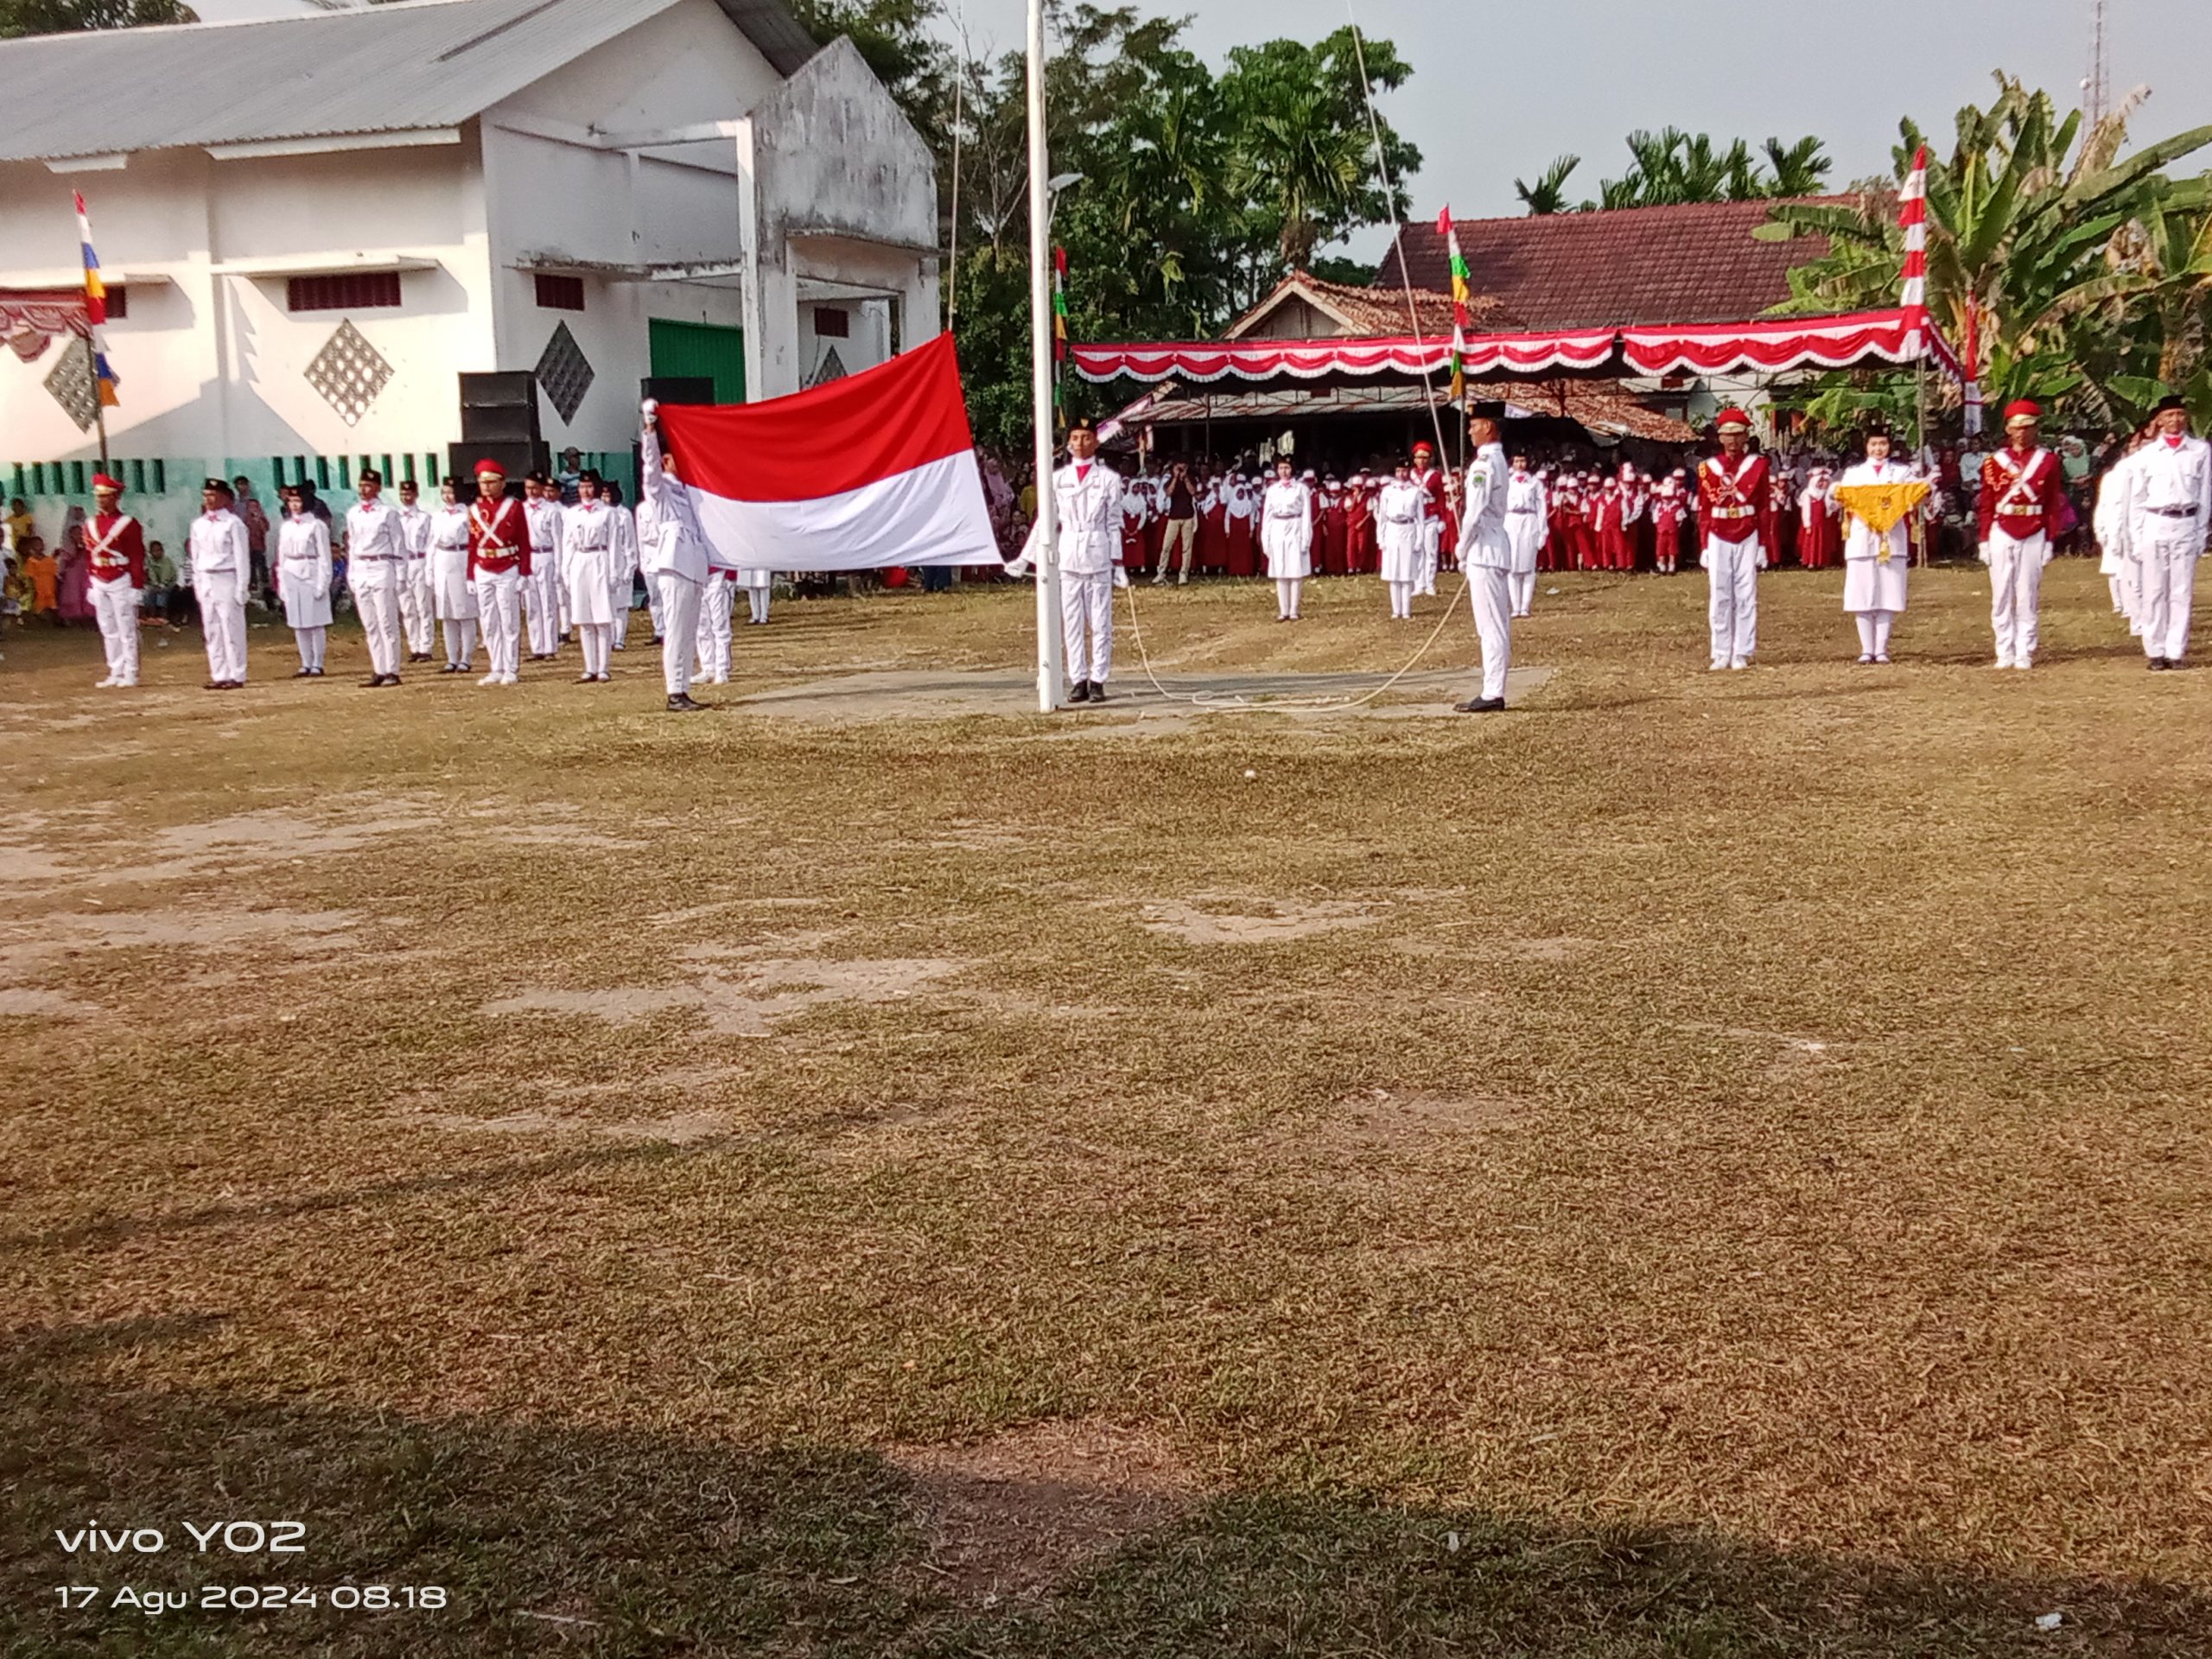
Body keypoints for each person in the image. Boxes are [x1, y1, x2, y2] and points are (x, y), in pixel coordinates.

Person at [1015, 419, 1120, 703]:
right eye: (1075, 437)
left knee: (1100, 622)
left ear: (1095, 442)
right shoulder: (1058, 479)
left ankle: (1098, 678)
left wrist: (1118, 564)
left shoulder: (1109, 479)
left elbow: (1113, 523)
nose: (1080, 443)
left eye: (1086, 438)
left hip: (1097, 552)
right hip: (1069, 553)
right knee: (1071, 622)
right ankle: (1079, 679)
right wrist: (1025, 558)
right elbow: (1045, 522)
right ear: (1069, 442)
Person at [2121, 395, 2212, 669]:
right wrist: (2136, 537)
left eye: (2180, 415)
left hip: (2186, 521)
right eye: (2169, 415)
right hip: (2155, 522)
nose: (2175, 420)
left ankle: (2175, 651)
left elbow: (2205, 494)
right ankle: (2155, 650)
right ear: (2159, 420)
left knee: (2181, 591)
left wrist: (2200, 534)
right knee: (2154, 589)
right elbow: (2136, 500)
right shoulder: (2146, 456)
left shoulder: (2200, 450)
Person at [1977, 399, 2068, 671]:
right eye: (2017, 427)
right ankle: (2003, 649)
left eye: (2028, 427)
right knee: (2001, 593)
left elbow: (2053, 502)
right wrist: (1983, 539)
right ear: (2008, 429)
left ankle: (2025, 650)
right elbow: (1986, 502)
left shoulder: (2048, 460)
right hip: (2002, 527)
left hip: (2034, 527)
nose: (2022, 433)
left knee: (2027, 593)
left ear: (2036, 428)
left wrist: (2050, 539)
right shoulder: (1995, 462)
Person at [637, 401, 711, 711]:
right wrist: (650, 429)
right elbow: (650, 470)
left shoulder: (691, 492)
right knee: (677, 631)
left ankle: (682, 688)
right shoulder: (662, 491)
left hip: (693, 564)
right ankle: (674, 692)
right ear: (668, 459)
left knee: (689, 632)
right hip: (675, 563)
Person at [1695, 409, 1774, 671]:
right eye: (1727, 435)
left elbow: (1764, 505)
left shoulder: (1759, 465)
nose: (1733, 440)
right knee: (1719, 593)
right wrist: (1704, 545)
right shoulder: (1708, 468)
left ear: (1746, 436)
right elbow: (1704, 509)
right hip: (1718, 531)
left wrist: (1764, 543)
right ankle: (1720, 651)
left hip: (1748, 530)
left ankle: (1742, 651)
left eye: (1738, 434)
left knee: (1746, 593)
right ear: (1719, 437)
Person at [1835, 425, 1912, 664]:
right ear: (1866, 447)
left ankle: (1881, 649)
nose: (1878, 449)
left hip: (1891, 538)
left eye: (1883, 444)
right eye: (1873, 444)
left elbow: (1915, 493)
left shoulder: (1902, 473)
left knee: (1888, 593)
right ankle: (1866, 649)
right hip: (1862, 537)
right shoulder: (1854, 474)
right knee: (1862, 594)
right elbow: (1839, 495)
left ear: (1890, 446)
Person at [1454, 409, 1514, 713]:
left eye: (1474, 425)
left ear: (1488, 427)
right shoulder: (1496, 460)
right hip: (1492, 546)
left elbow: (1474, 512)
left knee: (1490, 625)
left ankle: (1493, 691)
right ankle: (1493, 688)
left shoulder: (1485, 464)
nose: (1470, 432)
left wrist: (1462, 548)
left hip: (1485, 547)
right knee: (1494, 624)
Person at [467, 459, 530, 686]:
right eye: (483, 483)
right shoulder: (474, 509)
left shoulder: (513, 507)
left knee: (509, 620)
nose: (486, 487)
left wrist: (524, 572)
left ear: (502, 483)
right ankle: (496, 666)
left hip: (507, 566)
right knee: (488, 620)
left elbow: (524, 541)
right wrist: (470, 575)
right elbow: (472, 544)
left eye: (492, 482)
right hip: (483, 567)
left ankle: (511, 667)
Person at [344, 469, 408, 686]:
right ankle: (379, 668)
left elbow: (399, 545)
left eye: (369, 486)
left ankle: (393, 670)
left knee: (387, 621)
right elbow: (352, 545)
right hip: (362, 565)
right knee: (370, 623)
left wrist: (401, 576)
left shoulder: (388, 513)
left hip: (382, 564)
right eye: (362, 485)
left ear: (378, 488)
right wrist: (351, 573)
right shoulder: (353, 513)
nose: (364, 489)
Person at [188, 477, 251, 690]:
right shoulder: (198, 524)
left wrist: (242, 585)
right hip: (207, 576)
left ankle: (237, 673)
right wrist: (197, 584)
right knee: (212, 628)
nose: (208, 499)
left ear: (224, 498)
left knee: (231, 627)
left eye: (213, 495)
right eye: (206, 495)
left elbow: (242, 557)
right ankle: (219, 673)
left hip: (227, 575)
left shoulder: (233, 523)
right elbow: (196, 558)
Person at [558, 469, 620, 683]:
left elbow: (614, 544)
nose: (585, 491)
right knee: (584, 618)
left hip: (600, 558)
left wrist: (614, 572)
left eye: (589, 487)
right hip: (580, 560)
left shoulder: (607, 513)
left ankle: (604, 667)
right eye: (582, 487)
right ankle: (589, 667)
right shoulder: (572, 513)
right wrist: (565, 571)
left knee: (602, 617)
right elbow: (567, 544)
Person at [85, 473, 146, 688]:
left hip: (121, 578)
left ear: (115, 497)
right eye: (98, 496)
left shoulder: (127, 523)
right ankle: (115, 669)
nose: (101, 500)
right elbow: (90, 555)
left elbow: (137, 555)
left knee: (126, 627)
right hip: (100, 577)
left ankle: (131, 671)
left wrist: (137, 585)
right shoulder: (90, 524)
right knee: (107, 627)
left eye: (106, 496)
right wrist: (91, 581)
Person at [274, 482, 334, 677]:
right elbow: (281, 556)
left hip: (311, 570)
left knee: (315, 621)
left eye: (298, 500)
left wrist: (323, 582)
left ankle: (318, 662)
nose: (294, 505)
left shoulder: (316, 525)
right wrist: (281, 582)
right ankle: (305, 661)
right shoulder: (286, 527)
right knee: (297, 621)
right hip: (292, 570)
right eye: (291, 501)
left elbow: (325, 556)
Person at [424, 477, 477, 673]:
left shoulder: (468, 514)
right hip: (442, 560)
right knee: (446, 614)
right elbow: (431, 543)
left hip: (461, 558)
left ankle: (466, 658)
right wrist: (429, 569)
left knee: (464, 612)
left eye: (451, 492)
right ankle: (451, 658)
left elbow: (474, 543)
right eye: (444, 492)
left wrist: (473, 573)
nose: (448, 496)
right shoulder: (437, 516)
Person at [1258, 459, 1313, 622]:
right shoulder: (1273, 490)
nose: (1284, 471)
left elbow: (1306, 515)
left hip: (1295, 526)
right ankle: (1283, 610)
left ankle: (1294, 609)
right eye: (1281, 468)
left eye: (1287, 468)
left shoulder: (1301, 489)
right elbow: (1267, 516)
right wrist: (1265, 539)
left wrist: (1306, 538)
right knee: (1280, 570)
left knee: (1295, 570)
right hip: (1277, 527)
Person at [521, 474, 563, 660]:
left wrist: (559, 566)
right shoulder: (521, 509)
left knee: (548, 603)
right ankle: (536, 647)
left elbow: (558, 540)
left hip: (546, 555)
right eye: (528, 487)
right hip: (529, 557)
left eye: (535, 488)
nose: (531, 491)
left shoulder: (551, 510)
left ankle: (550, 647)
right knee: (532, 605)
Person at [1376, 461, 1425, 620]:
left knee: (1407, 572)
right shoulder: (1388, 491)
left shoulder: (1415, 492)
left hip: (1408, 529)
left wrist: (1420, 540)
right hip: (1392, 529)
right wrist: (1380, 538)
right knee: (1393, 572)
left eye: (1404, 470)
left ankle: (1406, 610)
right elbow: (1382, 517)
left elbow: (1421, 518)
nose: (1401, 474)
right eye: (1398, 470)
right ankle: (1396, 610)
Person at [395, 477, 436, 664]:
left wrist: (429, 567)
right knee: (407, 607)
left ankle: (426, 646)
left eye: (409, 493)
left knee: (423, 606)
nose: (406, 497)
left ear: (416, 495)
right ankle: (414, 646)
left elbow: (430, 543)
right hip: (402, 563)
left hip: (419, 560)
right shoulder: (395, 517)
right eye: (403, 493)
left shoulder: (424, 518)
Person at [1503, 452, 1548, 617]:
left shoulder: (1534, 483)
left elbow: (1542, 507)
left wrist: (1543, 530)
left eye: (1523, 460)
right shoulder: (1507, 482)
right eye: (1517, 461)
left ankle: (1525, 606)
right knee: (1512, 566)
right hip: (1512, 519)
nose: (1520, 464)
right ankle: (1515, 606)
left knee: (1528, 566)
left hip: (1529, 520)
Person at [1410, 441, 1448, 595]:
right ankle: (1419, 583)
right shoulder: (1410, 475)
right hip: (1416, 518)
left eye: (1425, 458)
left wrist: (1442, 518)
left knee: (1431, 551)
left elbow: (1441, 497)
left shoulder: (1435, 475)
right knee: (1417, 552)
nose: (1422, 461)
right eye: (1419, 457)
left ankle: (1430, 583)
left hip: (1431, 515)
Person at [604, 480, 639, 648]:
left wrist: (630, 567)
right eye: (602, 495)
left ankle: (619, 638)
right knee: (606, 604)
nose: (604, 498)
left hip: (621, 561)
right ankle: (608, 638)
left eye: (607, 495)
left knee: (621, 604)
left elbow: (630, 542)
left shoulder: (624, 514)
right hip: (603, 562)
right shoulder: (599, 514)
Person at [1154, 461, 1197, 585]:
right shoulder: (1170, 481)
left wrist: (1186, 478)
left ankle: (1184, 573)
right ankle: (1161, 572)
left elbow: (1193, 492)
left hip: (1188, 516)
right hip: (1173, 517)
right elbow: (1169, 493)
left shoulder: (1191, 479)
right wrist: (1175, 477)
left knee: (1186, 547)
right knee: (1166, 546)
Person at [1649, 469, 1688, 575]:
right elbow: (1655, 518)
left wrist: (1675, 526)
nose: (1667, 500)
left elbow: (1680, 518)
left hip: (1672, 531)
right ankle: (1661, 565)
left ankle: (1672, 565)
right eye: (1665, 498)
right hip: (1661, 531)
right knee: (1660, 548)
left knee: (1673, 549)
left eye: (1669, 498)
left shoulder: (1676, 505)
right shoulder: (1659, 506)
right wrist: (1659, 526)